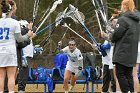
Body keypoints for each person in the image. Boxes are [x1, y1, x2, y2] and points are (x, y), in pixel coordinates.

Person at [0, 0, 34, 93]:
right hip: (10, 52)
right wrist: (28, 35)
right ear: (10, 11)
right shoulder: (14, 23)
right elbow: (19, 39)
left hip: (0, 52)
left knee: (1, 77)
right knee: (11, 76)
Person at [110, 0, 140, 92]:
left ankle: (125, 91)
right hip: (132, 53)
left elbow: (115, 36)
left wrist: (111, 35)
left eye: (122, 5)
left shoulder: (123, 19)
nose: (121, 7)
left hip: (122, 52)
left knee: (120, 74)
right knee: (129, 75)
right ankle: (131, 91)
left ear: (125, 6)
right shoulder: (136, 20)